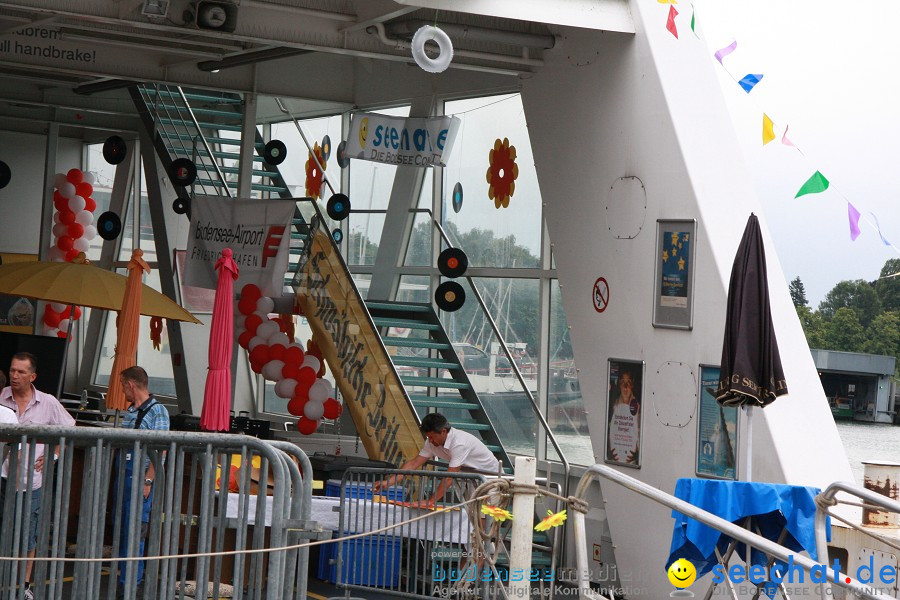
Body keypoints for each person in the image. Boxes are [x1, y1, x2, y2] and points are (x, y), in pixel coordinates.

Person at [0, 352, 76, 600]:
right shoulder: (2, 397)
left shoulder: (48, 402)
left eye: (20, 372)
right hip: (4, 477)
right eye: (12, 370)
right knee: (5, 531)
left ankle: (24, 585)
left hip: (32, 482)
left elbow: (70, 430)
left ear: (32, 376)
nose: (14, 375)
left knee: (28, 534)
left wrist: (53, 455)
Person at [114, 366, 169, 598]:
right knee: (124, 529)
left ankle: (131, 583)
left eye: (122, 385)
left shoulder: (158, 412)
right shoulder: (130, 411)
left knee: (136, 529)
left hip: (141, 476)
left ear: (131, 385)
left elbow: (161, 451)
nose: (122, 390)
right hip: (125, 476)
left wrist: (148, 480)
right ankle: (124, 578)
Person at [374, 413, 500, 508]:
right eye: (428, 437)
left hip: (491, 479)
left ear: (443, 431)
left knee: (484, 519)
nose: (430, 441)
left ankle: (486, 542)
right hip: (474, 480)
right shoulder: (431, 442)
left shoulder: (459, 443)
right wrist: (389, 481)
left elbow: (449, 476)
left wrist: (431, 501)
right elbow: (414, 463)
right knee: (474, 516)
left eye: (432, 437)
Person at [607, 367, 641, 465]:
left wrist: (636, 451)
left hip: (632, 461)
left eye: (628, 382)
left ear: (632, 384)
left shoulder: (639, 407)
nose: (625, 387)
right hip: (614, 460)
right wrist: (610, 448)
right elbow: (609, 430)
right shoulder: (613, 406)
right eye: (622, 382)